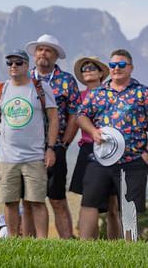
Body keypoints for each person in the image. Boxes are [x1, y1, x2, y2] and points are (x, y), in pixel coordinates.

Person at [0, 49, 59, 239]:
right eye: (10, 63)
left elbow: (53, 118)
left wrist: (50, 148)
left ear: (27, 65)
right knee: (10, 201)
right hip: (7, 157)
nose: (13, 67)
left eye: (18, 63)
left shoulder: (40, 88)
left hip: (34, 156)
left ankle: (42, 241)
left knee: (36, 201)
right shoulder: (0, 90)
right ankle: (13, 240)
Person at [77, 49, 148, 240]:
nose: (117, 68)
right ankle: (84, 247)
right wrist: (92, 131)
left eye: (122, 64)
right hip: (101, 158)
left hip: (133, 159)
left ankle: (129, 250)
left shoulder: (143, 93)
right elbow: (81, 115)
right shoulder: (98, 93)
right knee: (89, 202)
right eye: (113, 65)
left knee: (129, 207)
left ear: (131, 67)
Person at [25, 34, 80, 239]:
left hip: (55, 147)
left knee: (57, 198)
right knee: (29, 199)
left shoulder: (67, 81)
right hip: (27, 148)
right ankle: (30, 243)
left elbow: (75, 114)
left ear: (55, 56)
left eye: (48, 50)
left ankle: (66, 242)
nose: (43, 53)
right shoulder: (24, 79)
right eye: (40, 49)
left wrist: (64, 143)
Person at [69, 56, 119, 238]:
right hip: (88, 149)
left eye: (92, 67)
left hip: (110, 150)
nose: (87, 70)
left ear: (100, 73)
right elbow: (74, 125)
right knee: (89, 201)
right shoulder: (79, 98)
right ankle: (91, 243)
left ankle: (117, 245)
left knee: (113, 204)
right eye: (84, 69)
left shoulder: (112, 94)